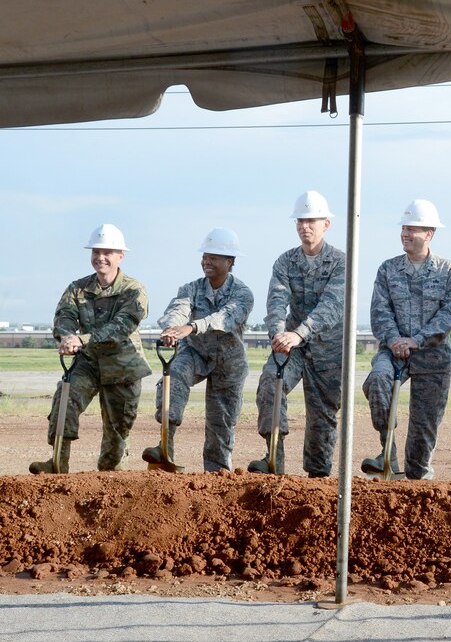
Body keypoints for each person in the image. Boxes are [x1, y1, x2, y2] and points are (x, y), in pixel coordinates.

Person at [30, 224, 152, 474]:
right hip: (87, 363)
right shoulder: (78, 287)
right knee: (65, 402)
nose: (101, 258)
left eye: (108, 252)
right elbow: (64, 316)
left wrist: (82, 339)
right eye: (96, 252)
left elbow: (122, 327)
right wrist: (66, 336)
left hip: (123, 367)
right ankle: (57, 463)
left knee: (118, 430)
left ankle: (111, 478)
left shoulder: (133, 290)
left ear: (121, 256)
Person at [362, 199, 451, 480]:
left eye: (412, 229)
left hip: (433, 356)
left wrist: (417, 340)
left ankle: (418, 471)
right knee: (377, 380)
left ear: (429, 234)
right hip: (393, 351)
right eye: (404, 228)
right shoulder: (388, 269)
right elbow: (380, 310)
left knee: (421, 439)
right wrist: (395, 340)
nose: (405, 234)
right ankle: (388, 453)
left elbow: (449, 315)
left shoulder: (448, 271)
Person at [248, 191, 346, 477]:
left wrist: (300, 333)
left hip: (328, 350)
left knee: (322, 416)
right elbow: (276, 300)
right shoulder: (285, 262)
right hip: (292, 347)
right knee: (270, 384)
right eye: (300, 221)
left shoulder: (340, 262)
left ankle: (317, 478)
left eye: (311, 221)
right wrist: (279, 335)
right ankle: (273, 458)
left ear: (326, 224)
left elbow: (332, 306)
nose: (305, 226)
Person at [145, 228, 254, 472]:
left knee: (220, 423)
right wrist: (173, 328)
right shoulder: (191, 288)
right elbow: (178, 307)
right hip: (195, 352)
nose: (207, 261)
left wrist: (191, 327)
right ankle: (165, 446)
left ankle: (217, 475)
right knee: (172, 377)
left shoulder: (243, 294)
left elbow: (224, 319)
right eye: (205, 256)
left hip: (229, 363)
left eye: (214, 257)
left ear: (230, 261)